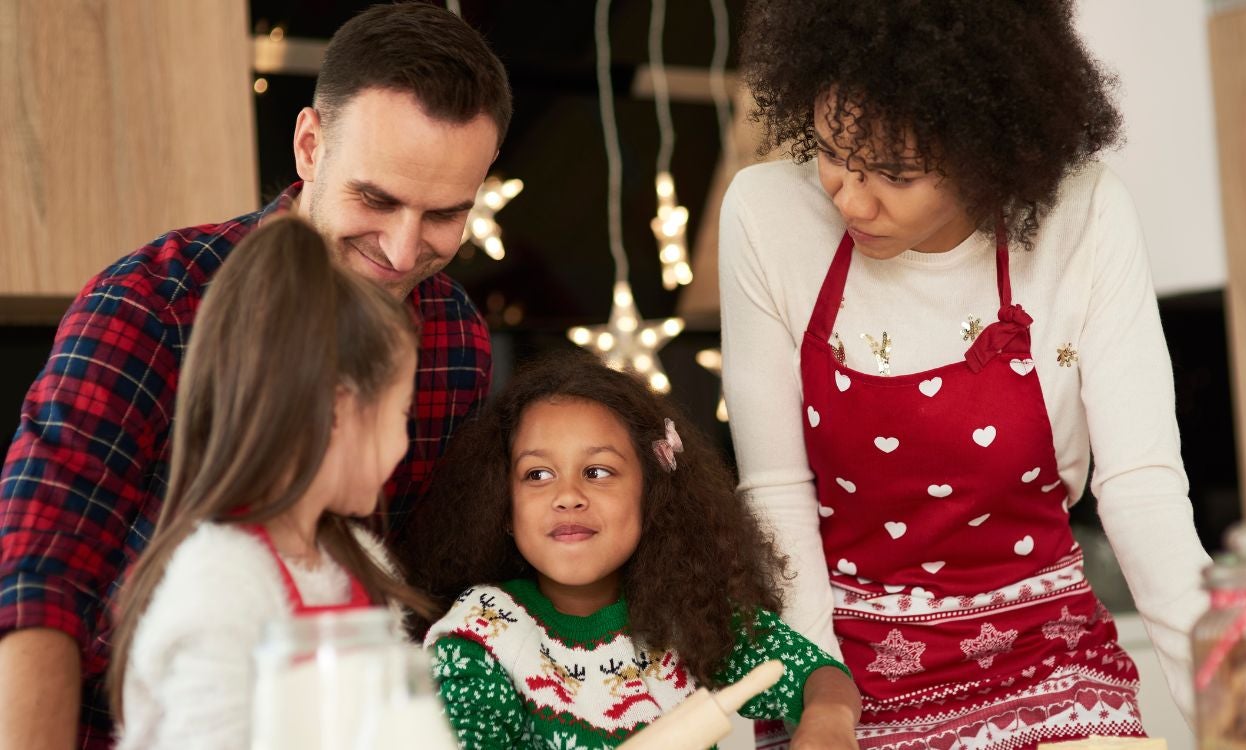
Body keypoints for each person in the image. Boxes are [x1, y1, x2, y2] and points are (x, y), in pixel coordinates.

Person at [0, 3, 511, 747]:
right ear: (310, 146)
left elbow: (422, 589)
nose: (403, 253)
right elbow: (40, 570)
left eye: (443, 215)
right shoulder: (155, 304)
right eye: (376, 199)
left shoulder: (455, 339)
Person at [718, 1, 1212, 748]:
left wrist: (1236, 707)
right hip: (846, 661)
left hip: (1046, 653)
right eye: (831, 151)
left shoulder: (1083, 214)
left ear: (990, 155)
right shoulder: (765, 216)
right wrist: (819, 696)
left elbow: (1142, 490)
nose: (850, 197)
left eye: (896, 173)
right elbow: (776, 494)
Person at [400, 350, 861, 749]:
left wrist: (828, 718)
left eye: (598, 472)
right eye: (538, 475)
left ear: (651, 496)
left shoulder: (687, 611)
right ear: (503, 505)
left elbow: (816, 675)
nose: (568, 496)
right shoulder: (482, 635)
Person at [107, 216, 430, 748]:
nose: (404, 443)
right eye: (401, 414)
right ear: (337, 411)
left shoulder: (363, 565)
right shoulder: (221, 582)